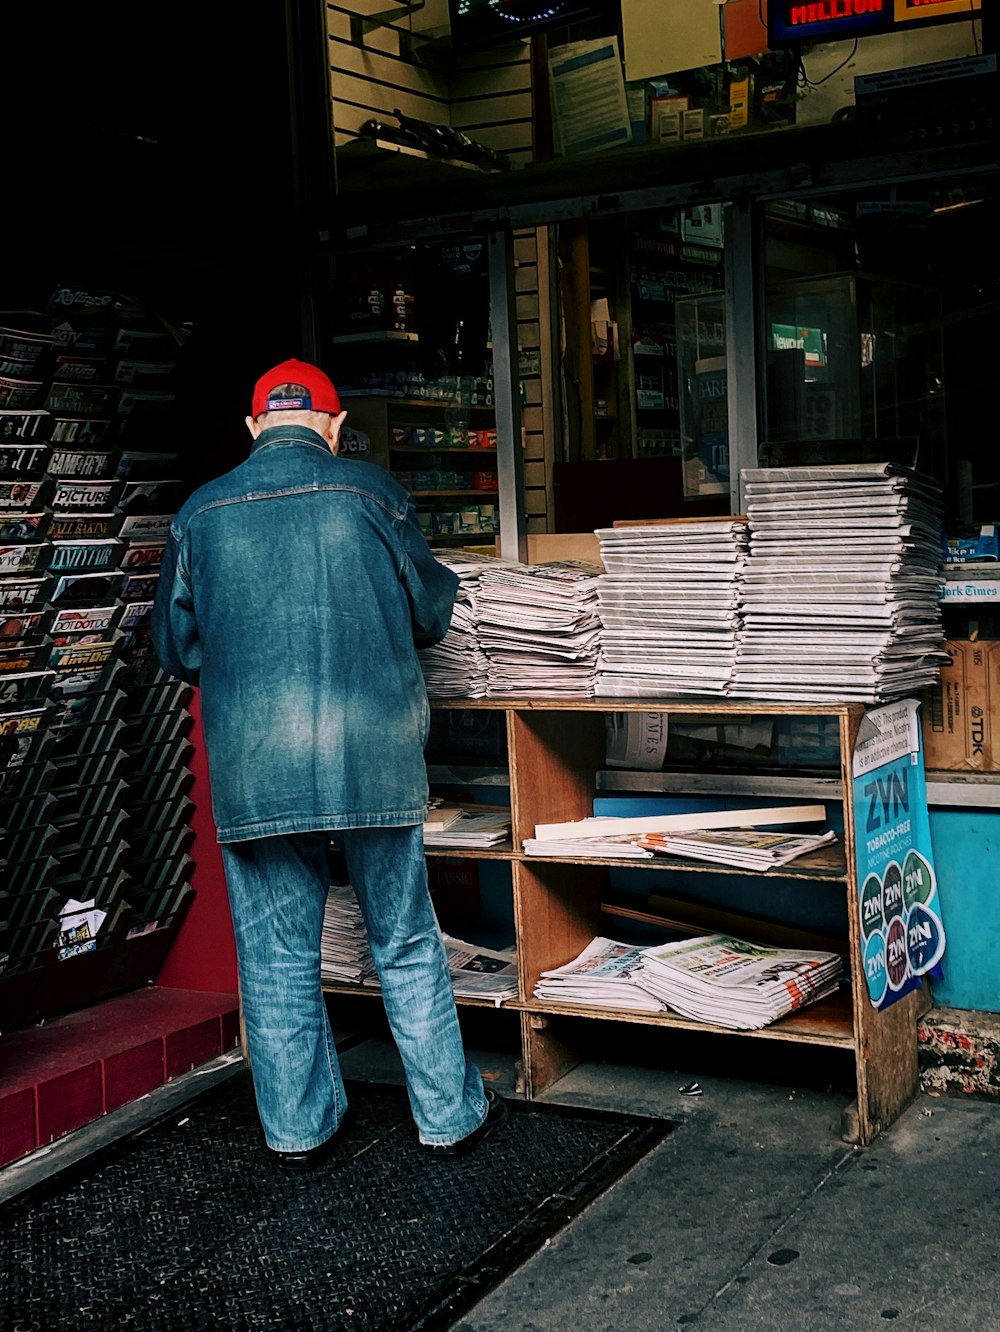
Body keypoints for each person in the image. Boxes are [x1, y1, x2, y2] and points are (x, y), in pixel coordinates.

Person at [151, 357, 506, 1169]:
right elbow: (432, 612)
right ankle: (448, 1115)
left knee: (276, 958)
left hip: (257, 766)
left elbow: (177, 648)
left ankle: (296, 1130)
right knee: (407, 940)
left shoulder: (200, 513)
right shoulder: (371, 494)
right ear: (337, 426)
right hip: (372, 757)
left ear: (252, 428)